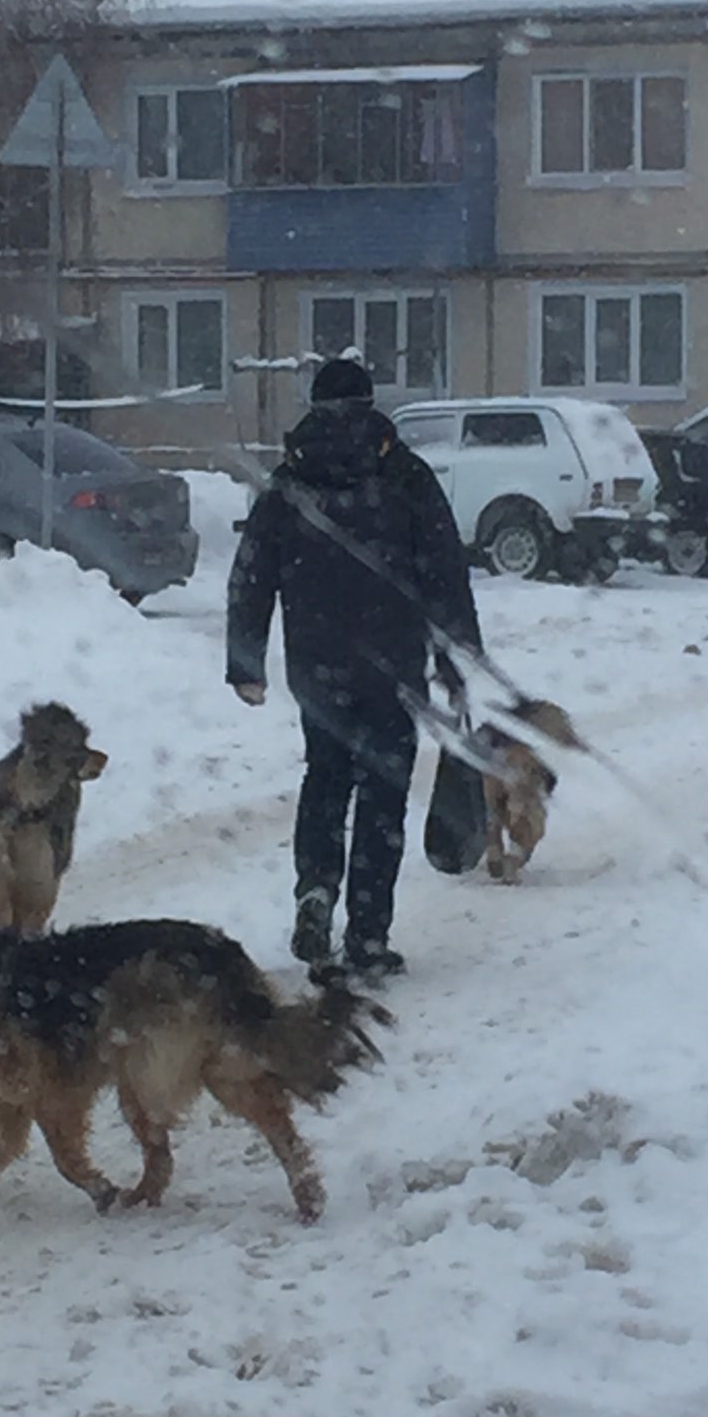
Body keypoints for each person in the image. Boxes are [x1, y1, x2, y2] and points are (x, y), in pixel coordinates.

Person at [226, 357, 482, 984]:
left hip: (318, 667)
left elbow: (252, 571)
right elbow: (442, 573)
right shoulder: (405, 476)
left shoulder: (290, 479)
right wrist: (455, 658)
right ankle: (367, 935)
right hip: (392, 666)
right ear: (369, 401)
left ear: (316, 406)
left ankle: (316, 889)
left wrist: (245, 662)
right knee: (382, 798)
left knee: (325, 778)